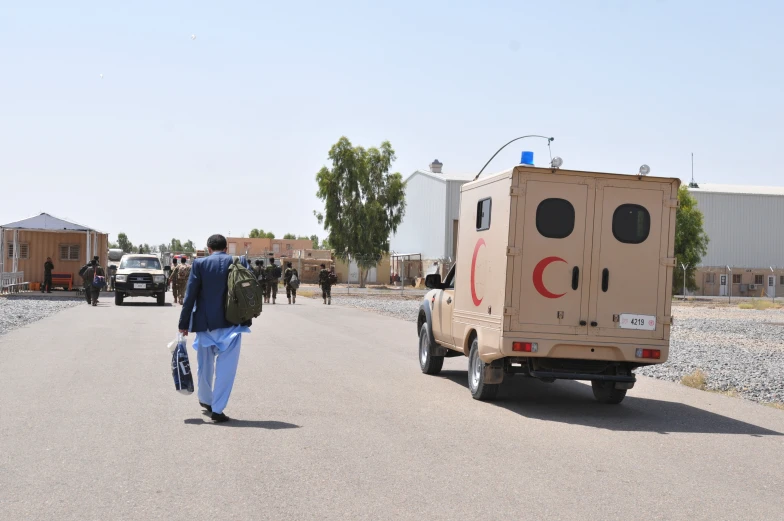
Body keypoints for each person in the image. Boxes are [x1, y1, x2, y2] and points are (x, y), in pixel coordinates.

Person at [178, 234, 253, 424]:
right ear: (226, 248)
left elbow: (190, 296)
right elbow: (250, 291)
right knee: (226, 369)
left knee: (204, 365)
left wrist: (183, 324)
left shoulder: (200, 264)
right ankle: (218, 411)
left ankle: (205, 400)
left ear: (208, 248)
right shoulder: (240, 261)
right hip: (232, 324)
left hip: (205, 324)